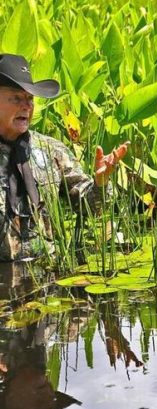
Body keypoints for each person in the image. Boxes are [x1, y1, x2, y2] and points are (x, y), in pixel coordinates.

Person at [0, 53, 128, 261]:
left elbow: (87, 206)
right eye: (16, 98)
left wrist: (100, 183)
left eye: (30, 98)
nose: (27, 106)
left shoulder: (51, 150)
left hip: (47, 274)